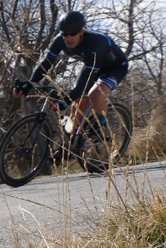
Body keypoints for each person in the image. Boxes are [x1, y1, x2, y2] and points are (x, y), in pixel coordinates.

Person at [14, 10, 128, 149]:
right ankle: (71, 145)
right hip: (90, 66)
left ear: (81, 32)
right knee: (76, 107)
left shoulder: (95, 43)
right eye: (64, 34)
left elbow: (83, 86)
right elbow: (46, 63)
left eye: (73, 33)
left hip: (114, 68)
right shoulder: (59, 41)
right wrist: (29, 85)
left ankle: (100, 125)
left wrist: (64, 101)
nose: (68, 38)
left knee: (95, 95)